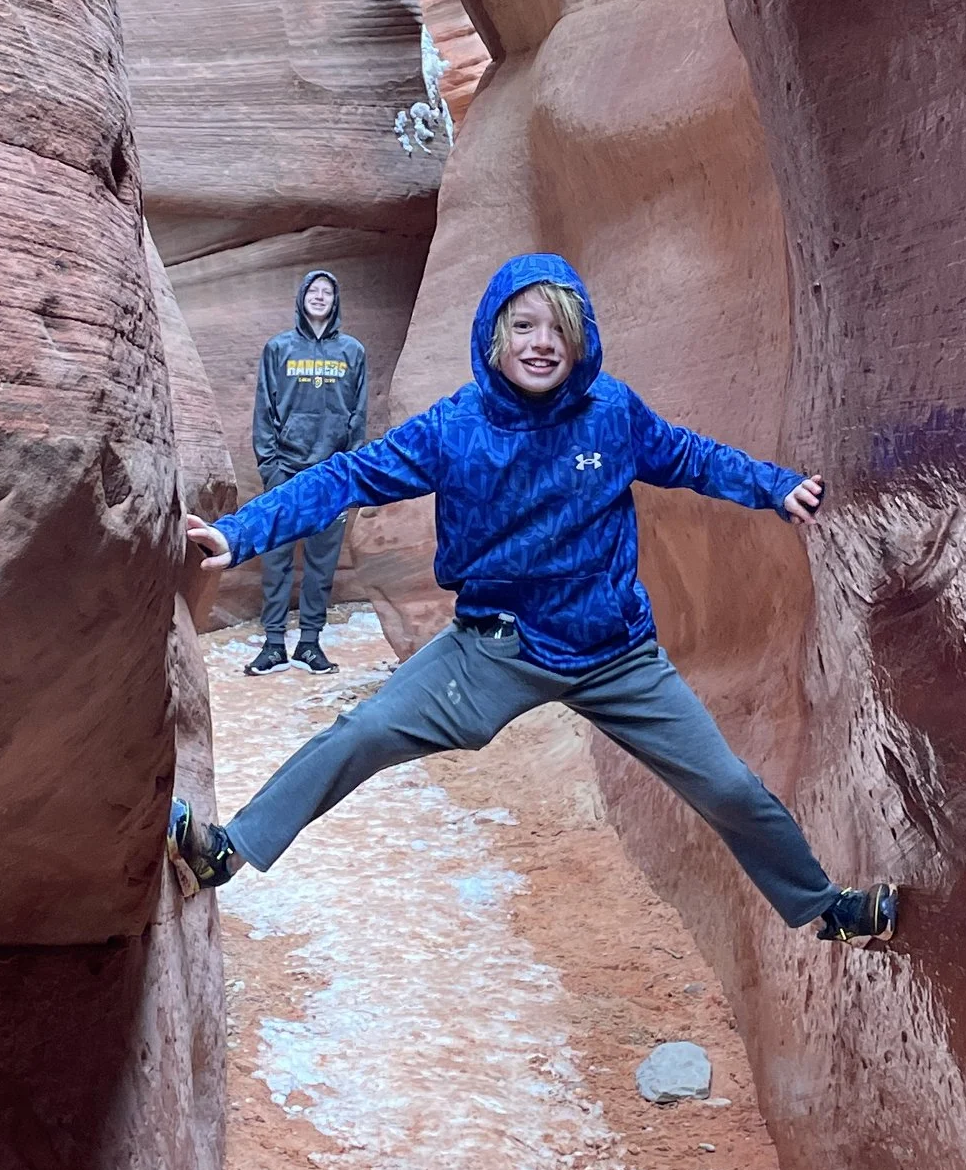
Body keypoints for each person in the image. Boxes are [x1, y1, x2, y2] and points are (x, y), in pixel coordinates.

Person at [169, 253, 900, 943]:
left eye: (559, 328)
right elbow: (347, 477)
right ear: (495, 335)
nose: (542, 343)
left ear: (581, 340)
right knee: (359, 735)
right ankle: (226, 852)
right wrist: (243, 530)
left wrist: (773, 486)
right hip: (495, 647)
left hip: (616, 653)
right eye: (524, 326)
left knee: (730, 787)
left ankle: (822, 907)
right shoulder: (456, 427)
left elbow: (688, 457)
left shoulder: (611, 411)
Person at [245, 266, 367, 673]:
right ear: (302, 298)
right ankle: (274, 643)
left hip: (330, 475)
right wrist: (270, 468)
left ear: (335, 302)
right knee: (276, 558)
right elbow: (264, 410)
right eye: (313, 291)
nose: (319, 297)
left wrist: (348, 475)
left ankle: (310, 643)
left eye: (327, 293)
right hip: (285, 472)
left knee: (321, 564)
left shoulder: (352, 352)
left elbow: (358, 415)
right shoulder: (278, 349)